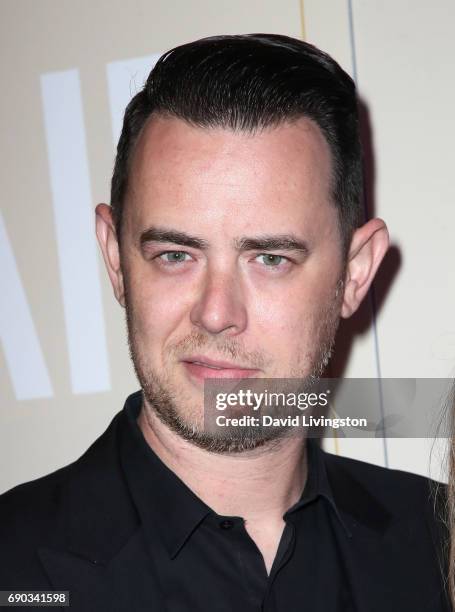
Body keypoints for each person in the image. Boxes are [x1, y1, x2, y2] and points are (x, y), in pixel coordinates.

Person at [0, 34, 449, 611]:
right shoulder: (14, 565)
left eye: (270, 259)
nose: (216, 313)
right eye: (175, 255)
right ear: (115, 259)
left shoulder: (441, 551)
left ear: (355, 274)